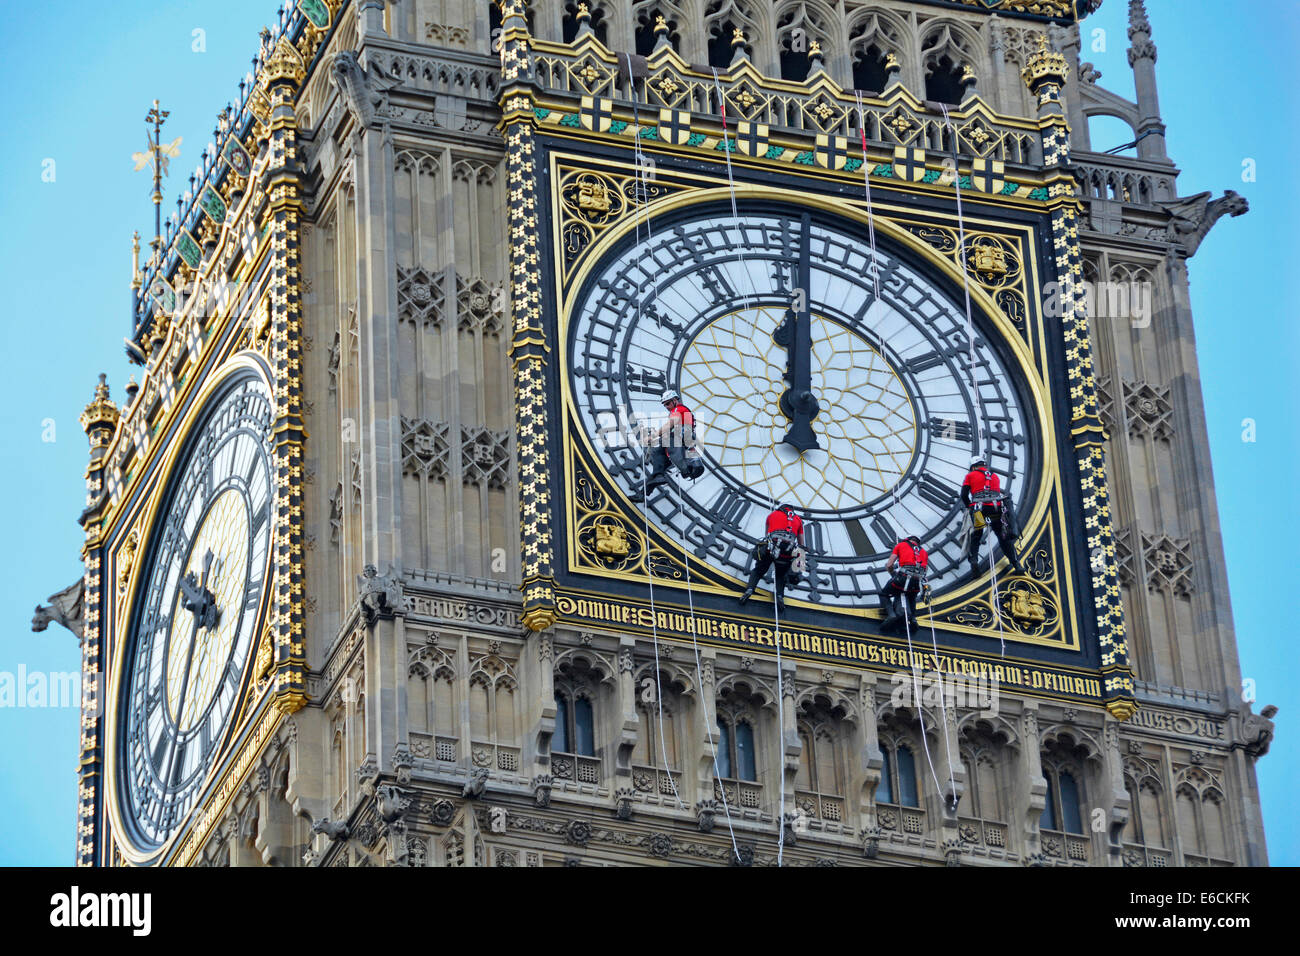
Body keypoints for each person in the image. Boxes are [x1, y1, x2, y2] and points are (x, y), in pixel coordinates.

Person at [629, 389, 702, 501]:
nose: (667, 407)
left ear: (674, 400)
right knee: (658, 469)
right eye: (665, 405)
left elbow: (669, 425)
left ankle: (676, 471)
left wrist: (652, 436)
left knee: (657, 449)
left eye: (668, 403)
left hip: (678, 439)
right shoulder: (683, 412)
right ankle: (643, 493)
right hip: (683, 442)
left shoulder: (679, 409)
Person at [961, 456, 1022, 575]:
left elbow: (964, 494)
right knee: (1002, 536)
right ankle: (1016, 563)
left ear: (973, 467)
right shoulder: (994, 476)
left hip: (979, 510)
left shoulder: (970, 476)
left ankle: (974, 561)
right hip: (996, 509)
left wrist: (969, 506)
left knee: (976, 535)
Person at [739, 503, 804, 612]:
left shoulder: (772, 515)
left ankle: (749, 590)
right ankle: (779, 596)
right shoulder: (798, 520)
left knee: (759, 570)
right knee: (781, 574)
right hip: (787, 552)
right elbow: (801, 543)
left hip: (771, 548)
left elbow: (767, 534)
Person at [879, 535, 928, 632]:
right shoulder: (924, 552)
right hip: (917, 582)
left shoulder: (900, 545)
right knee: (911, 596)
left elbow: (889, 565)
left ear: (908, 539)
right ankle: (913, 618)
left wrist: (893, 574)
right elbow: (925, 570)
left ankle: (891, 615)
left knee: (884, 594)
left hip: (903, 578)